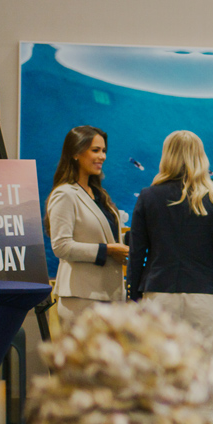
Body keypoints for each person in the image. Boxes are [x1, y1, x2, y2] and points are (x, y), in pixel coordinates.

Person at [126, 130, 213, 421]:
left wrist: (133, 299)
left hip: (158, 296)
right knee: (204, 380)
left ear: (167, 156)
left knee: (157, 380)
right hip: (205, 298)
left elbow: (136, 254)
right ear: (201, 157)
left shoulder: (148, 197)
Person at [46, 125, 128, 326]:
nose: (103, 156)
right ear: (75, 153)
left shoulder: (100, 195)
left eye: (104, 151)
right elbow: (61, 246)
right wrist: (107, 250)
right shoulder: (65, 194)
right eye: (96, 150)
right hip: (81, 299)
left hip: (110, 297)